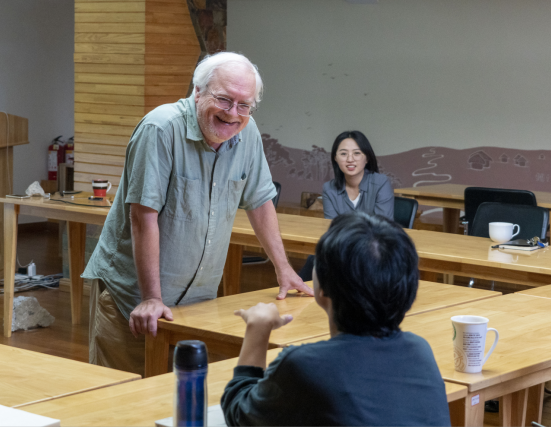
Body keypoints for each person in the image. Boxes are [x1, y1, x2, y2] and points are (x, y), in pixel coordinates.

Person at [82, 52, 313, 376]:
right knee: (121, 393)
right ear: (198, 91)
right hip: (133, 298)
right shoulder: (160, 129)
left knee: (181, 391)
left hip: (198, 302)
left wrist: (283, 268)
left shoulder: (246, 133)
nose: (232, 113)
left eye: (244, 105)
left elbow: (260, 201)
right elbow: (143, 217)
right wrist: (151, 298)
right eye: (224, 99)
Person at [221, 212, 451, 427]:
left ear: (322, 287)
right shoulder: (420, 352)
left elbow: (240, 416)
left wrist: (258, 329)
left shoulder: (305, 366)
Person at [299, 130, 394, 281]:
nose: (350, 159)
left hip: (375, 251)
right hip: (343, 249)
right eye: (343, 154)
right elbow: (333, 229)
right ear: (335, 158)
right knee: (315, 260)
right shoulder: (329, 188)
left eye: (357, 153)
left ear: (367, 157)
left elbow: (382, 228)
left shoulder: (381, 183)